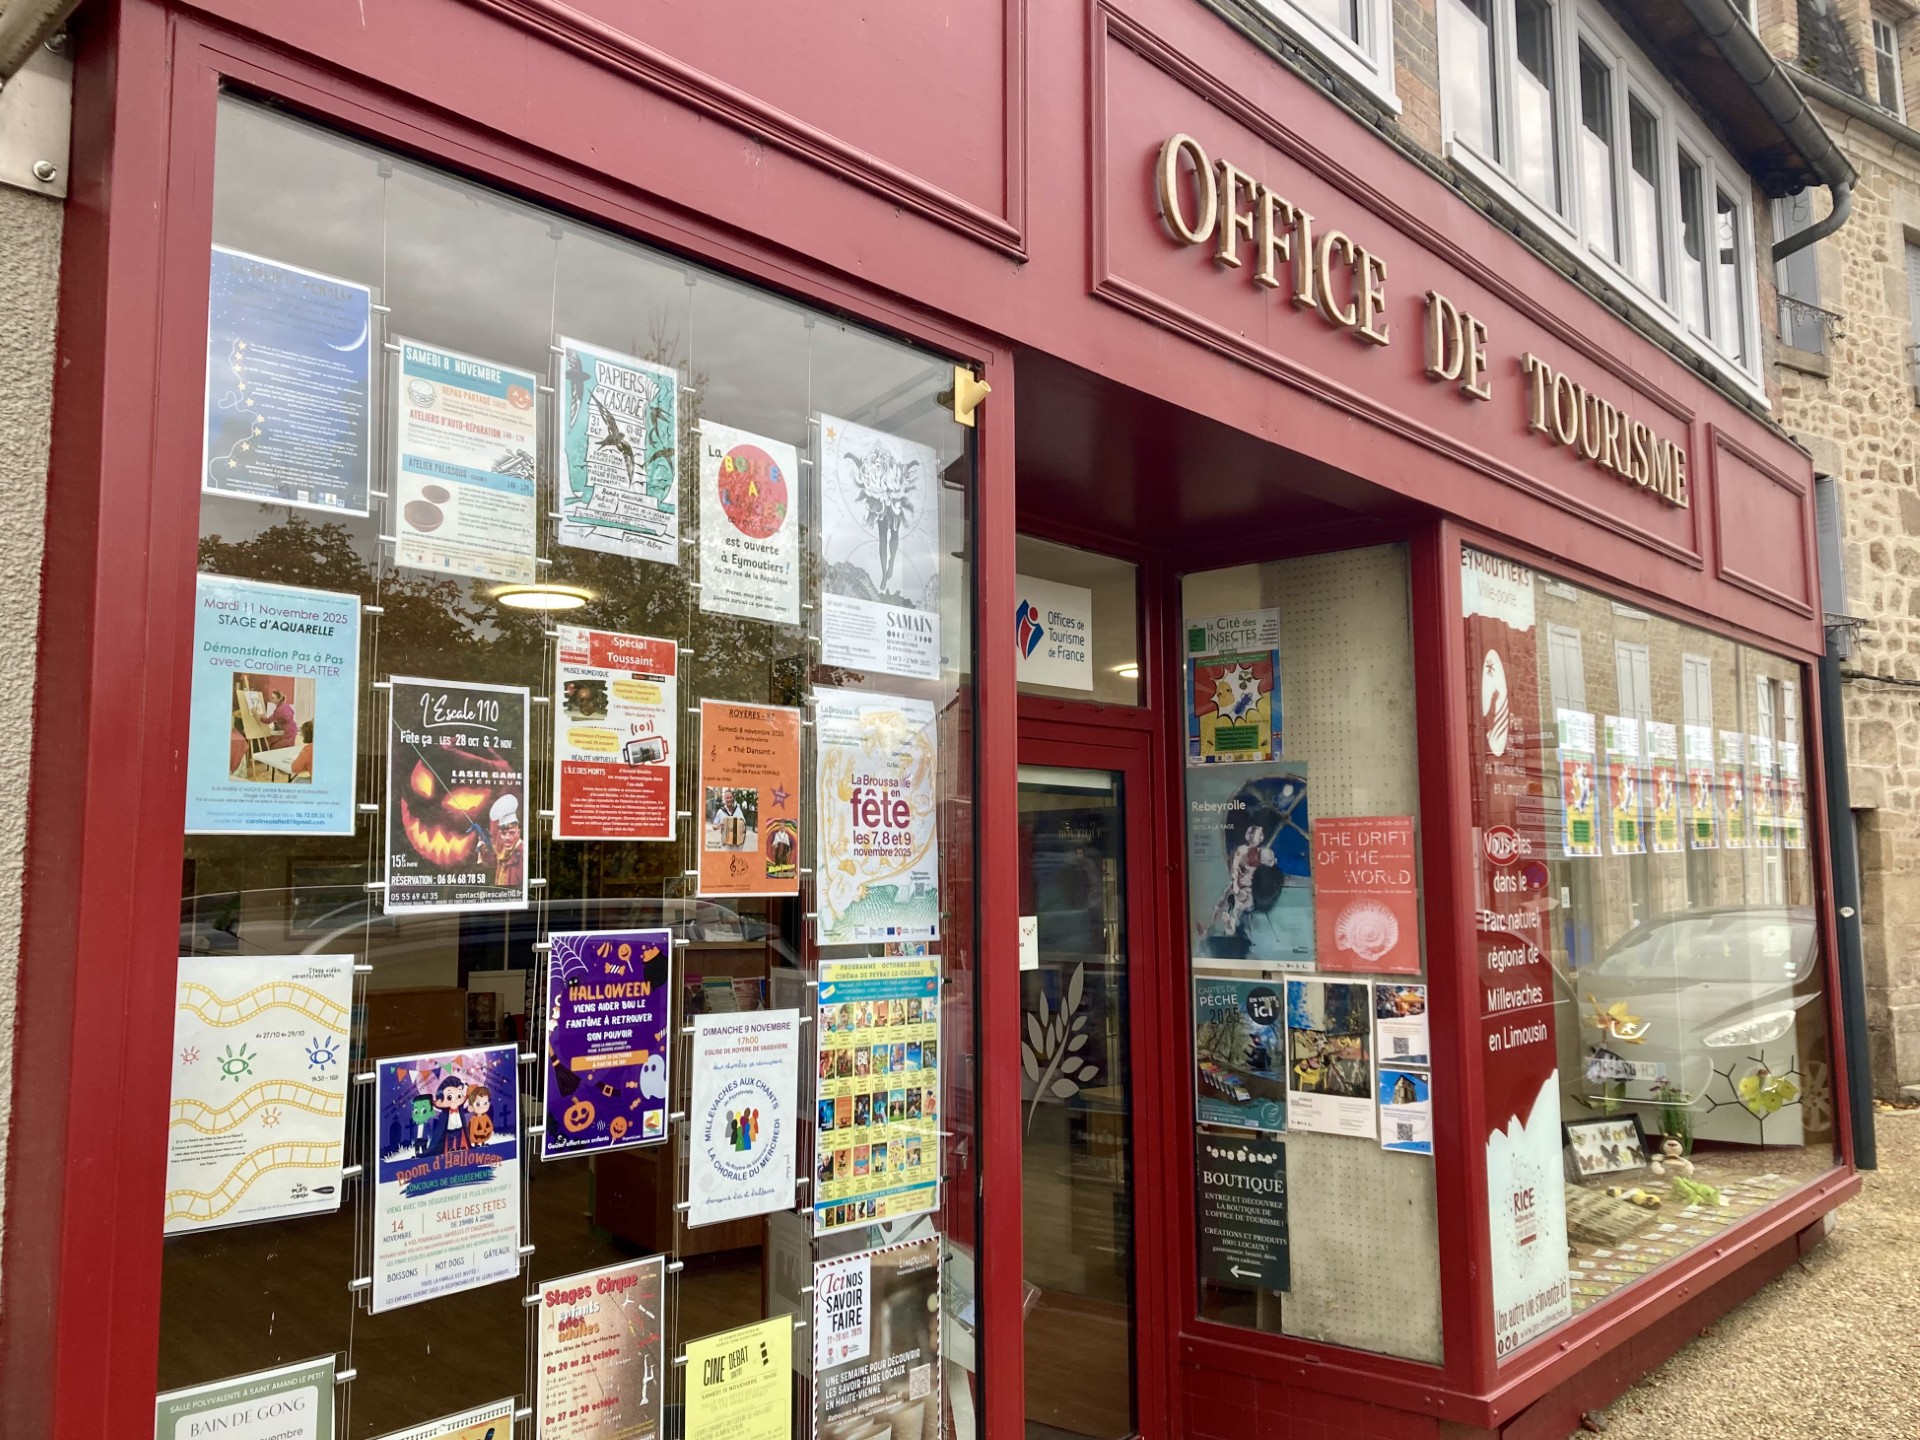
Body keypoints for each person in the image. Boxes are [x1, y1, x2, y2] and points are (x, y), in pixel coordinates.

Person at [487, 793, 523, 888]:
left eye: (511, 833)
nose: (507, 837)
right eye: (503, 833)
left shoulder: (522, 853)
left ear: (518, 832)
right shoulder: (503, 853)